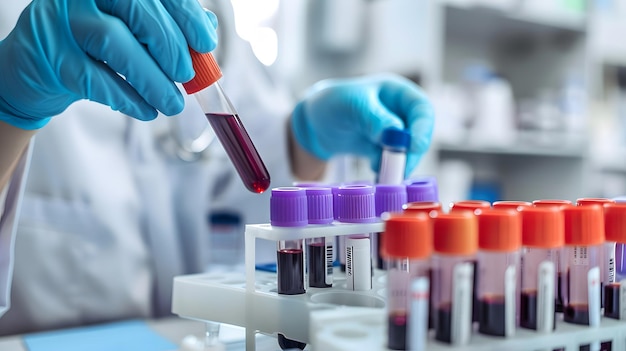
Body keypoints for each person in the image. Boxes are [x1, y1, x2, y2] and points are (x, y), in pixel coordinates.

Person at [0, 0, 434, 336]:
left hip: (185, 333)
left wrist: (301, 140)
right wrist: (9, 105)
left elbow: (241, 173)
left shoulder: (211, 12)